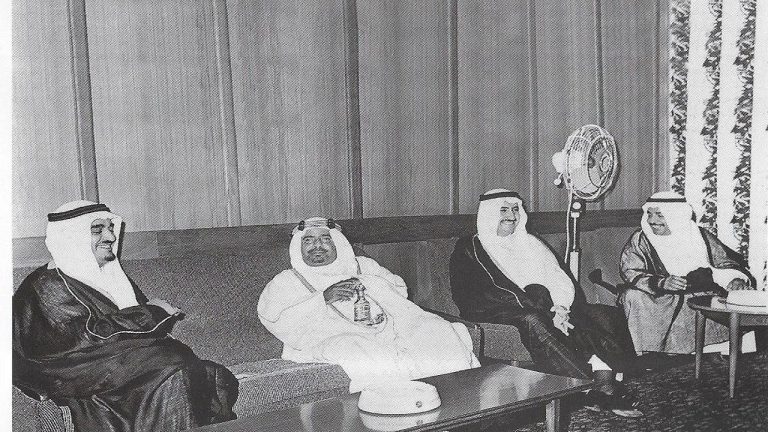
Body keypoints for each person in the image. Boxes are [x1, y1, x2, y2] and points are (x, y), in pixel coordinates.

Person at [13, 201, 238, 432]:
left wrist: (153, 316)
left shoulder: (108, 276)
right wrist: (154, 312)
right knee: (172, 366)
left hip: (106, 363)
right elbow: (87, 337)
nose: (110, 237)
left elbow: (137, 333)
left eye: (111, 228)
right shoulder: (46, 285)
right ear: (71, 237)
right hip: (67, 372)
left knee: (211, 374)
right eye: (98, 230)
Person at [450, 189, 642, 417]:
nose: (511, 216)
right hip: (495, 311)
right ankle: (584, 389)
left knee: (604, 315)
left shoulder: (530, 241)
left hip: (545, 305)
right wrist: (539, 306)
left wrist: (560, 307)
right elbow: (473, 294)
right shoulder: (469, 248)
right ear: (489, 214)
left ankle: (606, 383)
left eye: (515, 209)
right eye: (504, 210)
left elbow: (557, 276)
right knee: (533, 320)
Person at [258, 217, 479, 392]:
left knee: (436, 330)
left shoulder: (363, 266)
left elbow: (399, 291)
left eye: (325, 239)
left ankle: (454, 402)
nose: (317, 246)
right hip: (331, 338)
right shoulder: (287, 281)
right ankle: (393, 409)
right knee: (361, 350)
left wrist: (368, 284)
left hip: (387, 329)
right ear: (299, 247)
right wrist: (323, 299)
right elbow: (274, 319)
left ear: (337, 243)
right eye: (308, 241)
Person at [619, 191, 755, 355]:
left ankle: (707, 355)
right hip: (661, 297)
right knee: (632, 295)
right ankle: (649, 356)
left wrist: (735, 279)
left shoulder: (700, 235)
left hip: (701, 293)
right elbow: (630, 270)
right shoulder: (640, 239)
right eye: (649, 214)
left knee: (729, 299)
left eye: (660, 215)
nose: (652, 221)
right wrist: (662, 283)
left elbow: (725, 262)